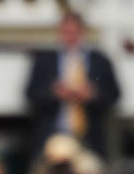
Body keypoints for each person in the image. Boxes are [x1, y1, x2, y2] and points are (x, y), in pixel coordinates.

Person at [24, 10, 121, 163]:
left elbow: (114, 94)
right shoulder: (45, 60)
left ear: (83, 32)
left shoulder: (99, 61)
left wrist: (93, 94)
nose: (70, 37)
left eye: (74, 31)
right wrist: (54, 93)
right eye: (66, 32)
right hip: (53, 136)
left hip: (89, 137)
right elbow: (30, 93)